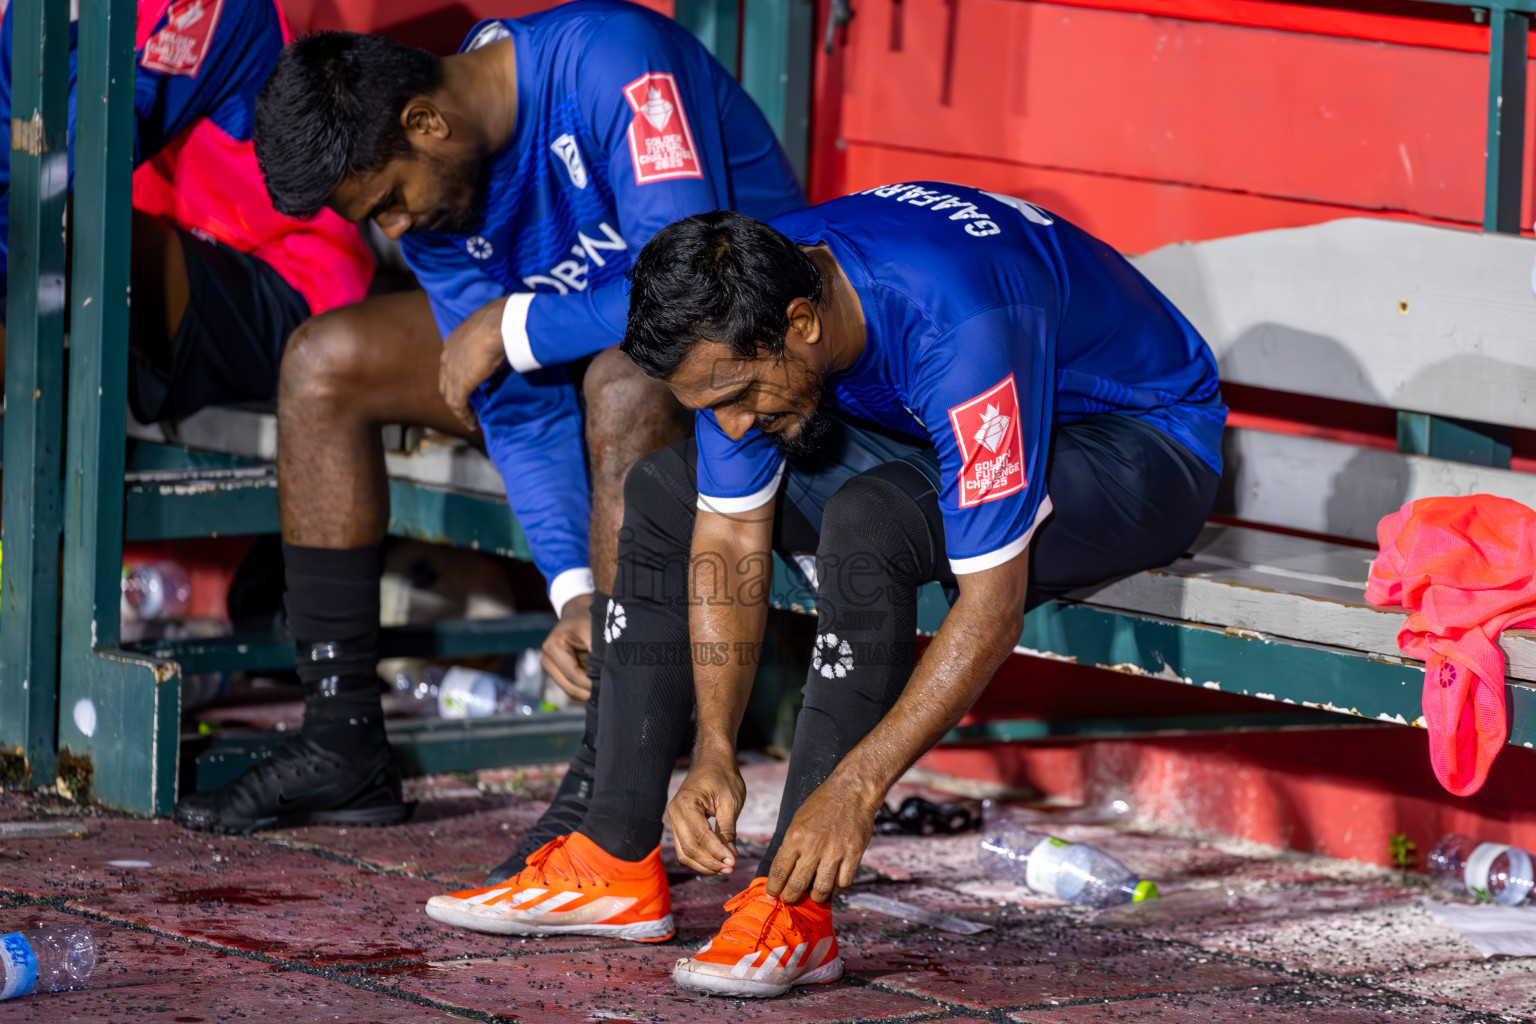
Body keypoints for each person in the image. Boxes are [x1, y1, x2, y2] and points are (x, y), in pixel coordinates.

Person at [420, 182, 1226, 996]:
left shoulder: (959, 328)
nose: (730, 424)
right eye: (709, 403)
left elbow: (993, 604)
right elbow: (731, 533)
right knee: (671, 488)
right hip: (948, 414)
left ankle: (793, 905)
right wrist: (715, 753)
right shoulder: (749, 298)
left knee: (873, 521)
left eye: (737, 398)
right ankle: (612, 859)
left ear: (802, 325)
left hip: (1140, 452)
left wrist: (857, 787)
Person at [172, 2, 806, 855]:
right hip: (590, 377)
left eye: (390, 201)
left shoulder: (611, 64)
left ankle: (613, 781)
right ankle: (341, 738)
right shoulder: (443, 192)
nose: (393, 230)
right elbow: (507, 398)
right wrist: (573, 590)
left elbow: (691, 297)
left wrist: (513, 324)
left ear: (426, 121)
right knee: (322, 360)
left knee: (626, 376)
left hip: (754, 363)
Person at [0, 0, 372, 425]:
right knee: (43, 228)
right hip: (145, 269)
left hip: (286, 291)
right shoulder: (35, 13)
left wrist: (69, 25)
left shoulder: (220, 7)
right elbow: (9, 164)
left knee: (56, 223)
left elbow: (87, 164)